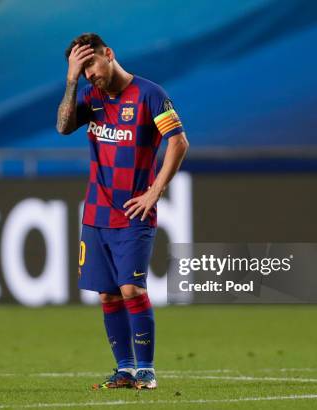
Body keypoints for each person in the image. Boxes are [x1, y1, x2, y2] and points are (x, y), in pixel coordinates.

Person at [56, 33, 189, 390]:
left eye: (90, 65)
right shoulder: (90, 96)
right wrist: (71, 81)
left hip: (133, 213)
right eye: (80, 71)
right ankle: (125, 369)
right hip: (96, 214)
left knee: (131, 288)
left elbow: (178, 141)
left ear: (109, 54)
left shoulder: (149, 95)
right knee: (108, 294)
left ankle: (146, 370)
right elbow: (63, 126)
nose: (89, 75)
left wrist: (155, 191)